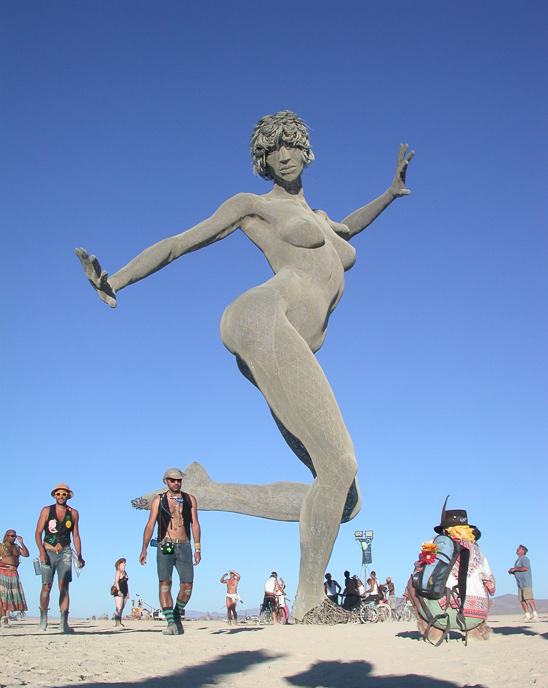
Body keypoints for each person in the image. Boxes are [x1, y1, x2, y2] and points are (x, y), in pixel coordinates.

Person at [77, 110, 414, 621]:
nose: (281, 153)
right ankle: (310, 603)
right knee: (341, 462)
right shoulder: (253, 206)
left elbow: (351, 227)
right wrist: (116, 280)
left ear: (305, 149)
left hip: (283, 347)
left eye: (290, 143)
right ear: (263, 161)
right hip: (261, 319)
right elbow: (180, 243)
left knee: (343, 498)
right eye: (270, 148)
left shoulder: (322, 219)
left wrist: (389, 194)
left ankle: (207, 493)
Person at [408, 497, 495, 642]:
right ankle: (474, 631)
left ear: (444, 529)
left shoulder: (431, 544)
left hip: (439, 613)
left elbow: (420, 573)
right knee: (483, 584)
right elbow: (492, 587)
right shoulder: (477, 551)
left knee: (412, 582)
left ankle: (434, 629)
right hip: (474, 616)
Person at [140, 468, 201, 635]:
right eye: (173, 480)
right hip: (165, 545)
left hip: (184, 545)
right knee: (165, 584)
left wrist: (197, 548)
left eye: (179, 480)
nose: (176, 483)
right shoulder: (158, 500)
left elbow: (195, 524)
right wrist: (144, 548)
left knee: (187, 586)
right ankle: (170, 623)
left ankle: (176, 613)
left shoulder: (190, 500)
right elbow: (150, 524)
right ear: (166, 481)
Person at [35, 484, 84, 633]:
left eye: (64, 494)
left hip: (65, 551)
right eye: (59, 494)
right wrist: (41, 552)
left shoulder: (73, 513)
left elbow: (75, 535)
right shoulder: (46, 511)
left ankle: (63, 622)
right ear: (55, 495)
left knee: (64, 587)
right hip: (48, 551)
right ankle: (43, 619)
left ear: (68, 496)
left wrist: (80, 556)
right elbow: (38, 533)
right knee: (46, 587)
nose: (61, 496)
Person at [0, 530, 29, 626]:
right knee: (3, 596)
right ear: (7, 536)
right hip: (3, 571)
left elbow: (26, 554)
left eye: (15, 536)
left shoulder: (16, 547)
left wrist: (21, 542)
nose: (13, 538)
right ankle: (3, 618)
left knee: (11, 596)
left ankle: (5, 617)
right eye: (12, 536)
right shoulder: (2, 546)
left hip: (13, 573)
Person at [509, 545, 538, 621]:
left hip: (526, 582)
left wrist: (515, 569)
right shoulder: (517, 561)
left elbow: (525, 568)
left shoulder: (524, 558)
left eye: (519, 549)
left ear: (523, 551)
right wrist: (513, 571)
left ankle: (535, 615)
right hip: (520, 583)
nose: (517, 549)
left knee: (529, 598)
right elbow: (519, 570)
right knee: (521, 599)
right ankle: (527, 615)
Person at [113, 558, 129, 628]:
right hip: (119, 591)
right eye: (123, 563)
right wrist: (118, 590)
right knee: (119, 607)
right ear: (119, 565)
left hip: (125, 591)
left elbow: (126, 583)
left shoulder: (125, 573)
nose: (124, 564)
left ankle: (120, 620)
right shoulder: (118, 572)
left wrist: (128, 592)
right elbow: (116, 582)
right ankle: (117, 622)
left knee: (122, 607)